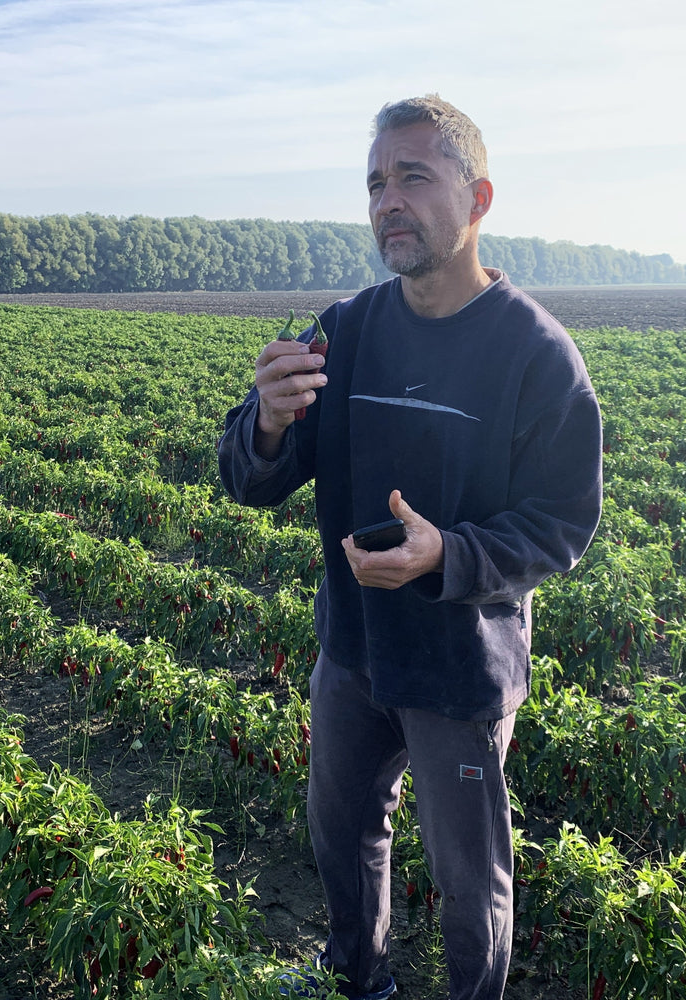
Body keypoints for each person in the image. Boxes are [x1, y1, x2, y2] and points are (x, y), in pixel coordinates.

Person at [217, 95, 603, 1000]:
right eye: (376, 183)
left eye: (415, 177)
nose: (389, 199)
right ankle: (361, 982)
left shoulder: (536, 353)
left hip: (460, 667)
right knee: (342, 836)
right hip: (352, 653)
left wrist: (448, 557)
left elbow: (562, 523)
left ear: (478, 199)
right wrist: (267, 424)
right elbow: (251, 479)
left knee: (472, 886)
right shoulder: (343, 332)